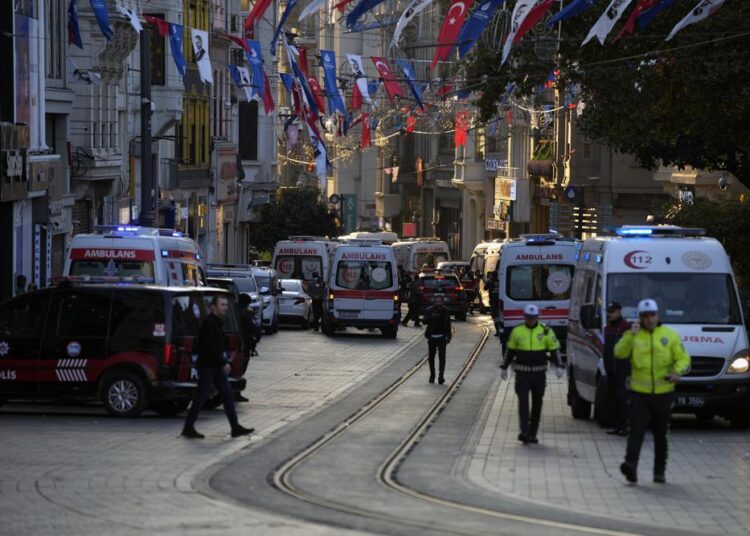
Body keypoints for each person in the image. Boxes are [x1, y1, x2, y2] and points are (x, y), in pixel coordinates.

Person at [615, 299, 690, 484]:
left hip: (663, 393)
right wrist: (630, 336)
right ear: (640, 318)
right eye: (645, 316)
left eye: (652, 315)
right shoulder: (633, 335)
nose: (649, 319)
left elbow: (683, 358)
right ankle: (630, 466)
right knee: (636, 431)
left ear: (657, 315)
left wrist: (677, 372)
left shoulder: (670, 336)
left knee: (660, 433)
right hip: (639, 393)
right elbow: (619, 353)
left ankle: (659, 471)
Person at [182, 296, 254, 439]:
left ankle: (235, 427)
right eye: (222, 305)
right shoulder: (209, 323)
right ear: (213, 307)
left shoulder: (217, 322)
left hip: (215, 367)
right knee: (201, 397)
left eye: (226, 305)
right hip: (208, 367)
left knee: (227, 396)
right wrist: (223, 363)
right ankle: (188, 428)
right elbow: (210, 347)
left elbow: (218, 346)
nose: (225, 307)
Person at [500, 304, 564, 445]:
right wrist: (504, 367)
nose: (530, 321)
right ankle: (524, 432)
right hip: (522, 374)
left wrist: (559, 365)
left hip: (538, 373)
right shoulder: (517, 331)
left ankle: (532, 433)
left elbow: (554, 349)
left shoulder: (545, 331)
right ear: (524, 317)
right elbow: (510, 351)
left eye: (533, 318)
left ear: (537, 317)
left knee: (537, 404)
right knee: (523, 403)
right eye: (528, 318)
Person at [604, 302, 631, 436]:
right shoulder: (607, 328)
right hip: (611, 370)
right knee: (613, 399)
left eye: (612, 311)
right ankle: (617, 425)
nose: (610, 314)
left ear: (619, 312)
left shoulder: (626, 327)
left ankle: (625, 426)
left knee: (623, 399)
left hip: (623, 370)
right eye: (608, 311)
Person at [424, 295, 452, 384]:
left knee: (442, 357)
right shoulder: (429, 310)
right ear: (434, 302)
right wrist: (432, 317)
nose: (438, 303)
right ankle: (432, 375)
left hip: (442, 337)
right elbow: (424, 321)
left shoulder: (446, 311)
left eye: (440, 301)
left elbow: (448, 324)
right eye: (437, 301)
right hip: (432, 337)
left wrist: (449, 336)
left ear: (442, 302)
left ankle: (441, 376)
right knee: (431, 357)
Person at [486, 271, 500, 336]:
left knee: (495, 316)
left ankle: (497, 330)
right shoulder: (499, 281)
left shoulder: (490, 281)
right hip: (499, 301)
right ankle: (500, 329)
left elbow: (485, 288)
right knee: (499, 316)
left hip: (493, 301)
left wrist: (488, 280)